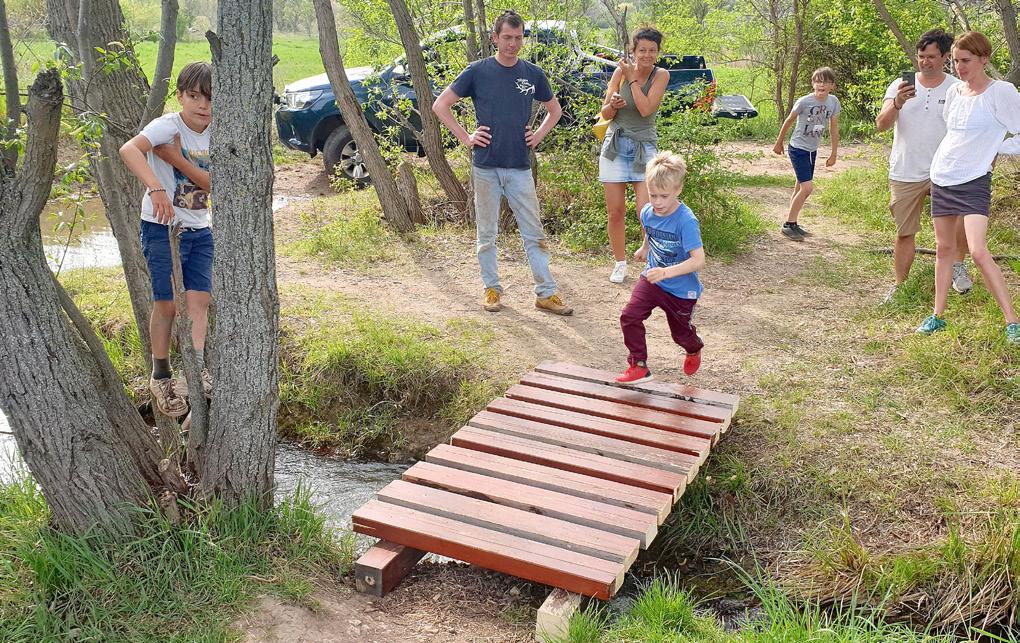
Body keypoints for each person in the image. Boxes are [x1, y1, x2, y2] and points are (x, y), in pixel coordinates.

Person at [432, 10, 572, 315]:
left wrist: (538, 135)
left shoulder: (532, 74)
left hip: (520, 165)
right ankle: (492, 289)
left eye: (518, 38)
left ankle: (545, 294)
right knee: (486, 233)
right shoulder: (477, 71)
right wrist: (467, 137)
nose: (512, 44)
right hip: (486, 165)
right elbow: (440, 105)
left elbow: (555, 111)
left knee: (534, 232)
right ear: (495, 38)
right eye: (507, 37)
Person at [119, 62, 214, 418]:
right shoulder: (167, 126)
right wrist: (155, 186)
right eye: (194, 97)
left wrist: (174, 158)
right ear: (180, 96)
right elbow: (129, 149)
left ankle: (196, 370)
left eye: (209, 99)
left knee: (200, 300)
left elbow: (212, 184)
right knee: (167, 304)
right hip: (161, 227)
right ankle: (160, 375)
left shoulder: (219, 132)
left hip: (200, 228)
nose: (202, 106)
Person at [917, 31, 1020, 343]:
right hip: (943, 176)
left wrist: (995, 152)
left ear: (983, 59)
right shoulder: (956, 92)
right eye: (956, 61)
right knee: (944, 249)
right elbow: (955, 133)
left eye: (966, 61)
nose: (959, 67)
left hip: (974, 179)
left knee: (977, 250)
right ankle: (937, 316)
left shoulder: (1001, 92)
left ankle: (1012, 322)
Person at [875, 29, 972, 302]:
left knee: (959, 221)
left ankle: (957, 267)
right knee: (905, 232)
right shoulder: (899, 85)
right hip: (906, 169)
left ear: (944, 57)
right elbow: (881, 125)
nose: (925, 62)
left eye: (931, 57)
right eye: (921, 56)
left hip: (946, 169)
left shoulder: (956, 87)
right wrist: (897, 102)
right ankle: (899, 285)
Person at [616, 152, 705, 384]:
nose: (657, 202)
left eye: (663, 196)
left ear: (678, 190)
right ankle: (638, 366)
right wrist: (645, 248)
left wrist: (667, 272)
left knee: (680, 335)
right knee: (629, 316)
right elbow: (650, 230)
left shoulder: (686, 221)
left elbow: (698, 260)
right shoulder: (647, 212)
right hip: (653, 278)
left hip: (680, 288)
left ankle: (694, 347)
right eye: (652, 195)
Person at [599, 26, 670, 284]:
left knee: (647, 209)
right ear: (633, 50)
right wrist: (613, 106)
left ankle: (651, 260)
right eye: (642, 50)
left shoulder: (661, 75)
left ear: (658, 52)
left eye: (652, 51)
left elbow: (645, 109)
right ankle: (619, 263)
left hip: (644, 146)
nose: (647, 55)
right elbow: (605, 114)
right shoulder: (619, 71)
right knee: (615, 210)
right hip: (615, 145)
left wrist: (632, 80)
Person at [772, 67, 841, 242]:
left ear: (832, 85)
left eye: (825, 81)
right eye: (817, 81)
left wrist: (833, 153)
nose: (821, 84)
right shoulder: (804, 102)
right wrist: (779, 142)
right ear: (813, 83)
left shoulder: (833, 102)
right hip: (798, 148)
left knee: (799, 186)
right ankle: (788, 224)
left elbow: (834, 128)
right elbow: (789, 120)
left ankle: (793, 223)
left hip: (812, 150)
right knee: (807, 188)